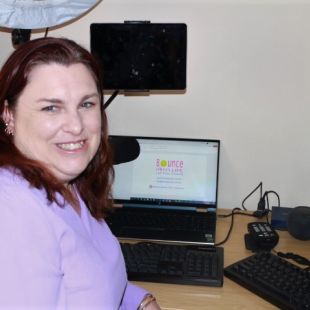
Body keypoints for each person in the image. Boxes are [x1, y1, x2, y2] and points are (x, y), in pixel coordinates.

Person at [0, 37, 161, 310]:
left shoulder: (66, 180)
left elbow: (88, 280)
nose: (76, 126)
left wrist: (139, 300)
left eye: (86, 104)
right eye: (51, 107)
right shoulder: (13, 210)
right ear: (8, 115)